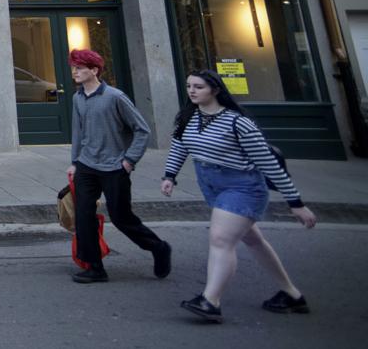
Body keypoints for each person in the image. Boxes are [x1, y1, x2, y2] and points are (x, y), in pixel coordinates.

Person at [161, 69, 317, 323]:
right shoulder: (188, 118)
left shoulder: (238, 122)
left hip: (242, 187)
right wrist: (169, 176)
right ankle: (292, 294)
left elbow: (268, 163)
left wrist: (295, 203)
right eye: (189, 86)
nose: (191, 91)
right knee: (254, 241)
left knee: (221, 239)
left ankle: (210, 300)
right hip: (211, 185)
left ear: (215, 90)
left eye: (198, 87)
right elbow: (180, 147)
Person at [67, 48, 171, 284]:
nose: (75, 72)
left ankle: (158, 247)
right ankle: (94, 266)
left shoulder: (115, 97)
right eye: (74, 67)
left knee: (121, 217)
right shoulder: (77, 98)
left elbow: (142, 130)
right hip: (86, 165)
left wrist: (129, 160)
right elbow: (77, 131)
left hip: (114, 167)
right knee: (83, 216)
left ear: (94, 70)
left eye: (80, 68)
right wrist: (74, 162)